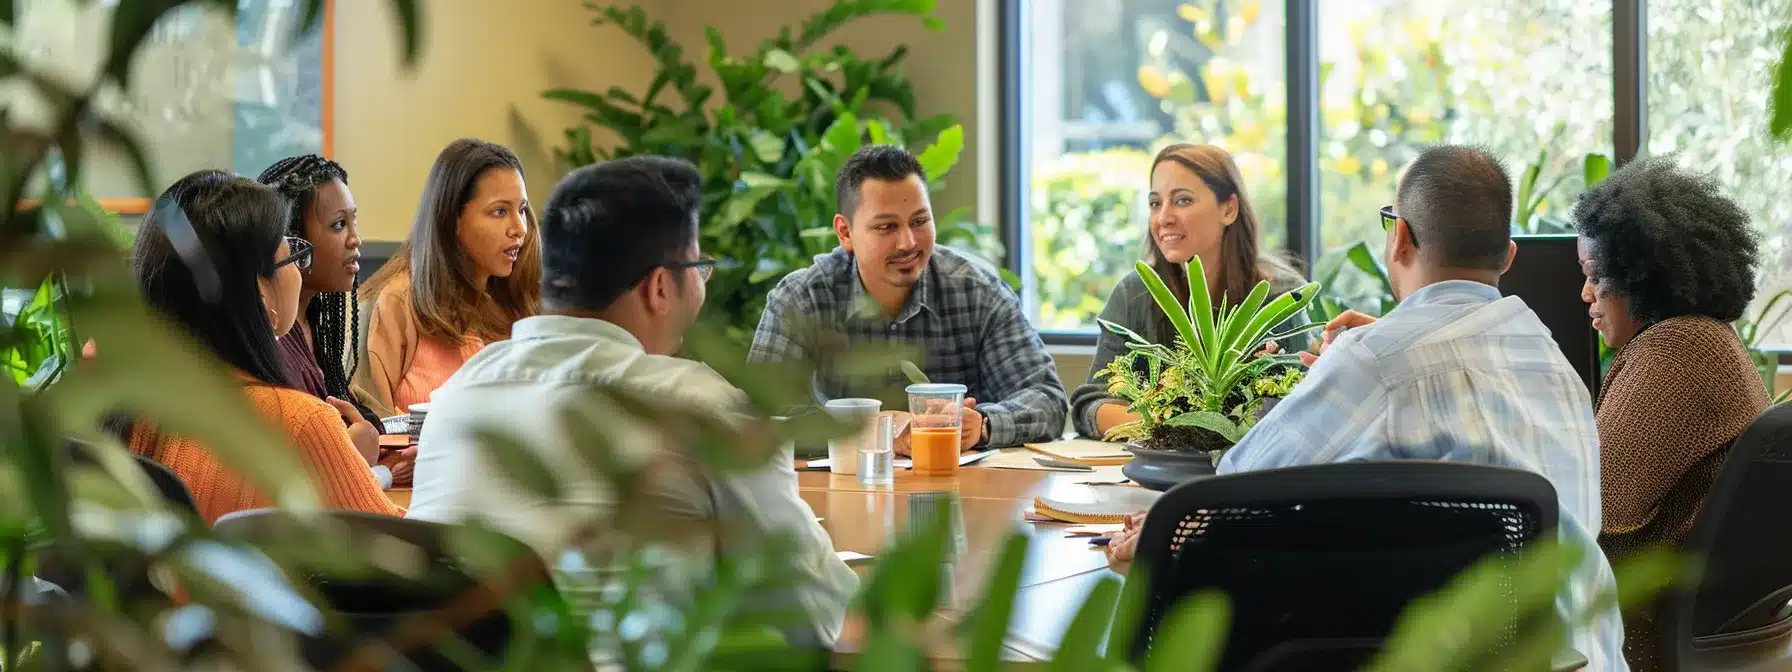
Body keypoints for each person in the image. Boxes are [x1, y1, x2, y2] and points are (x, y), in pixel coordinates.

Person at [1105, 146, 1627, 669]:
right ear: (1508, 258)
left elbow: (1230, 497)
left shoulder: (1375, 361)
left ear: (1399, 237)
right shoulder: (1556, 365)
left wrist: (1155, 529)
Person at [405, 156, 855, 648]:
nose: (701, 288)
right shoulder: (700, 407)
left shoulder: (456, 399)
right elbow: (813, 618)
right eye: (699, 268)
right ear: (661, 286)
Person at [1573, 158, 1768, 671]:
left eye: (1595, 277)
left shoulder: (1674, 353)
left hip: (1642, 632)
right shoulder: (1706, 340)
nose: (1585, 295)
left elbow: (1590, 505)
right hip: (1702, 625)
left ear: (1642, 274)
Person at [121, 169, 401, 523]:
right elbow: (401, 556)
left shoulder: (128, 409)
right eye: (291, 258)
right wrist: (350, 460)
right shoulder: (301, 422)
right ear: (258, 289)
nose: (298, 273)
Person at [749, 144, 1067, 452]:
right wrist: (875, 426)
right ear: (845, 232)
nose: (908, 242)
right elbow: (755, 416)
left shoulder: (977, 292)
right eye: (887, 226)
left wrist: (980, 424)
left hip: (957, 496)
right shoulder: (801, 300)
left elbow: (1046, 396)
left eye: (919, 221)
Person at [1071, 143, 1306, 439]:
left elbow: (1299, 409)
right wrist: (1176, 427)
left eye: (1182, 201)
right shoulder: (1135, 294)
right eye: (1156, 203)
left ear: (1229, 209)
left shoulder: (1279, 297)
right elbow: (1090, 406)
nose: (1164, 218)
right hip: (1150, 474)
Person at [353, 138, 541, 417]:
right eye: (500, 211)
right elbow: (369, 425)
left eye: (522, 210)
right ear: (452, 219)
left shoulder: (520, 298)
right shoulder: (397, 300)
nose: (519, 229)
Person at [259, 154, 417, 486]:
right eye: (338, 225)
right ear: (291, 239)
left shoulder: (316, 328)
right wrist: (383, 471)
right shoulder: (272, 343)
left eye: (353, 222)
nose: (355, 239)